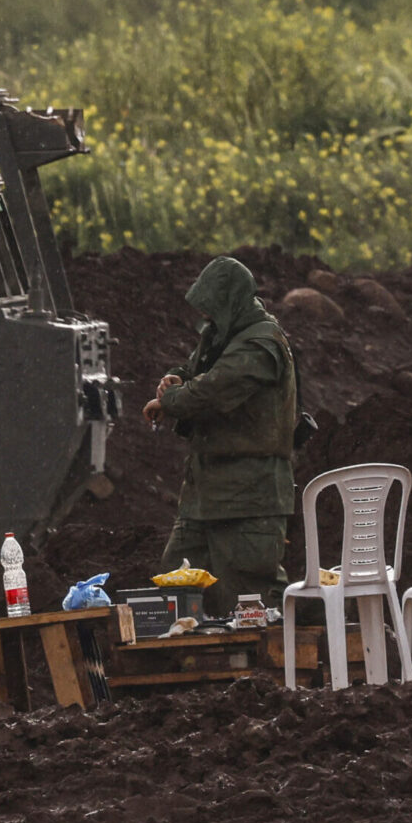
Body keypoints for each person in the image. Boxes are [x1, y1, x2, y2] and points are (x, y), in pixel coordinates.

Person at [141, 256, 297, 618]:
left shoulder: (260, 344)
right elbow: (195, 370)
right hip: (205, 497)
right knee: (176, 590)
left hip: (248, 501)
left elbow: (214, 389)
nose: (206, 318)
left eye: (212, 309)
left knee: (250, 604)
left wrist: (171, 399)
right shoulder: (223, 336)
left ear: (229, 303)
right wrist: (174, 379)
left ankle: (284, 665)